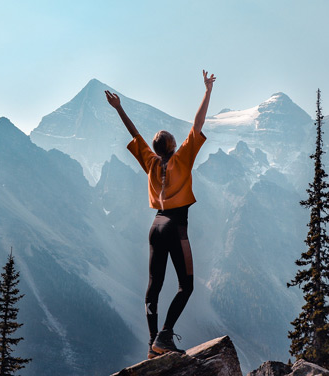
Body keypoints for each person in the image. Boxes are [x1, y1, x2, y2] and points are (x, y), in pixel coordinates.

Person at [104, 70, 216, 359]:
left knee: (154, 286)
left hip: (155, 226)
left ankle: (153, 345)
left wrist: (119, 108)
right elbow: (199, 122)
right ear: (174, 146)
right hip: (176, 226)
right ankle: (165, 336)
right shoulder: (182, 158)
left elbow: (134, 134)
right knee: (186, 285)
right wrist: (207, 91)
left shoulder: (151, 163)